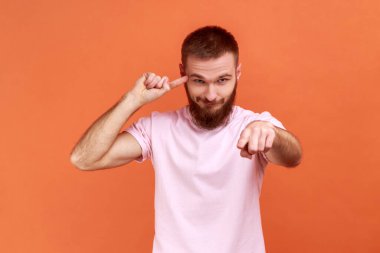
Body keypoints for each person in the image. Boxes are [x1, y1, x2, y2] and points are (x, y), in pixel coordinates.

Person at [70, 26, 302, 253]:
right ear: (183, 74)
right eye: (200, 81)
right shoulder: (157, 128)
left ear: (237, 74)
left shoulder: (253, 125)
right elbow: (83, 159)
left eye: (222, 80)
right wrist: (132, 100)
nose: (211, 95)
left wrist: (271, 134)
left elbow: (293, 156)